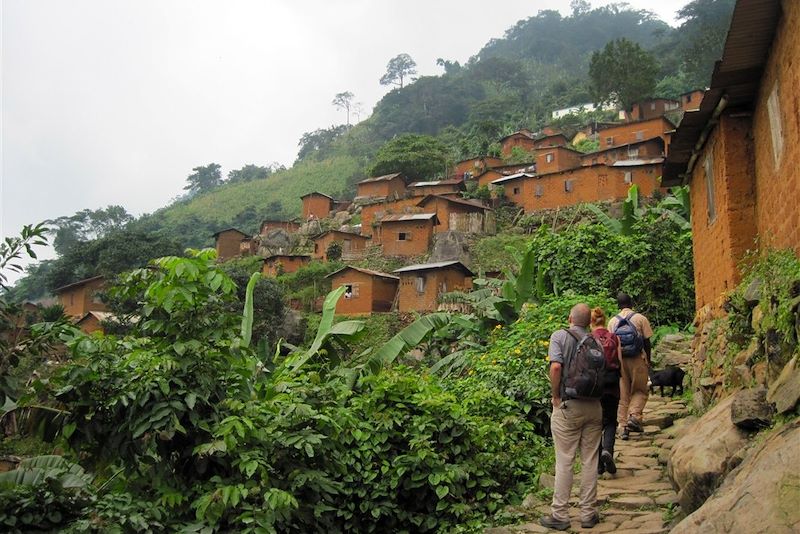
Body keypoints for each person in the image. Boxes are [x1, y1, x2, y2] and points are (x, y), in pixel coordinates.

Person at [540, 303, 602, 531]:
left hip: (568, 406)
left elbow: (556, 368)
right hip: (594, 407)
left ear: (570, 318)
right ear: (590, 322)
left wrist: (555, 396)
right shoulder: (596, 340)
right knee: (590, 460)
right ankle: (588, 514)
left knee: (565, 461)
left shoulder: (560, 336)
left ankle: (560, 515)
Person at [608, 293, 653, 440]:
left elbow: (611, 345)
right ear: (631, 304)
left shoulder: (612, 322)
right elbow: (647, 342)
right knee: (640, 389)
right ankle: (634, 416)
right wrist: (648, 360)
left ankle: (622, 427)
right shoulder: (640, 318)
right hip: (637, 359)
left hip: (620, 361)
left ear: (618, 305)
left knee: (623, 394)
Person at [590, 307, 621, 475]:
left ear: (591, 322)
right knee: (610, 421)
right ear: (605, 320)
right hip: (612, 385)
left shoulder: (588, 339)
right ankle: (607, 450)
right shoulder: (614, 338)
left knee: (595, 424)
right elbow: (620, 361)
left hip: (594, 387)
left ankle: (599, 465)